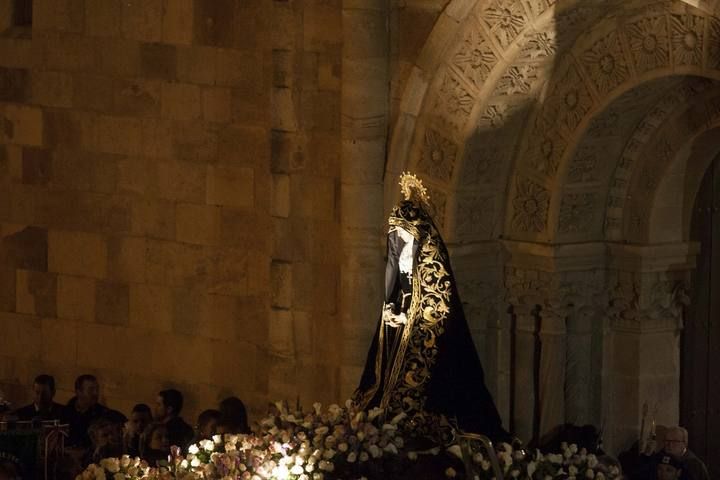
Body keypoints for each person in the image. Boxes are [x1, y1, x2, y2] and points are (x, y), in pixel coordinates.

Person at [353, 172, 507, 441]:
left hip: (432, 377)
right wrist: (393, 312)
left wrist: (409, 319)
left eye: (403, 239)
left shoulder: (436, 280)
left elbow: (435, 314)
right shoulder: (399, 261)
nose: (398, 247)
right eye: (395, 238)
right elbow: (396, 281)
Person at [64, 374, 109, 448]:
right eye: (91, 389)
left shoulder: (102, 414)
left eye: (97, 389)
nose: (95, 393)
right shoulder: (64, 413)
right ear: (79, 392)